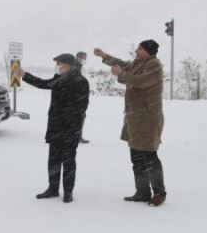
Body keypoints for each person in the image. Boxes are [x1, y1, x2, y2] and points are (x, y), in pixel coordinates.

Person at [94, 40, 167, 206]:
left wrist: (120, 74)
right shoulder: (139, 62)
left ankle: (159, 192)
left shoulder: (154, 66)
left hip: (148, 119)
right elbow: (123, 65)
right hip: (135, 118)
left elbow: (140, 81)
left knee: (149, 156)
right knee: (136, 157)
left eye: (140, 49)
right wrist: (105, 56)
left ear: (149, 51)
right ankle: (142, 192)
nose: (136, 51)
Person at [19, 53, 89, 203]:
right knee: (54, 160)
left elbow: (82, 106)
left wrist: (67, 117)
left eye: (60, 63)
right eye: (57, 64)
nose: (58, 66)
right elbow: (43, 84)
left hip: (70, 128)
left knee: (68, 161)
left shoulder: (80, 81)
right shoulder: (59, 78)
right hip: (56, 127)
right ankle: (53, 188)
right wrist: (24, 75)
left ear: (70, 64)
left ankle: (68, 192)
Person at [75, 51, 90, 144]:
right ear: (79, 57)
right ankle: (77, 136)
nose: (85, 59)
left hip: (80, 96)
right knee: (80, 116)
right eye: (84, 58)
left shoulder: (78, 66)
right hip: (78, 97)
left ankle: (77, 136)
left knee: (80, 116)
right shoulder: (76, 67)